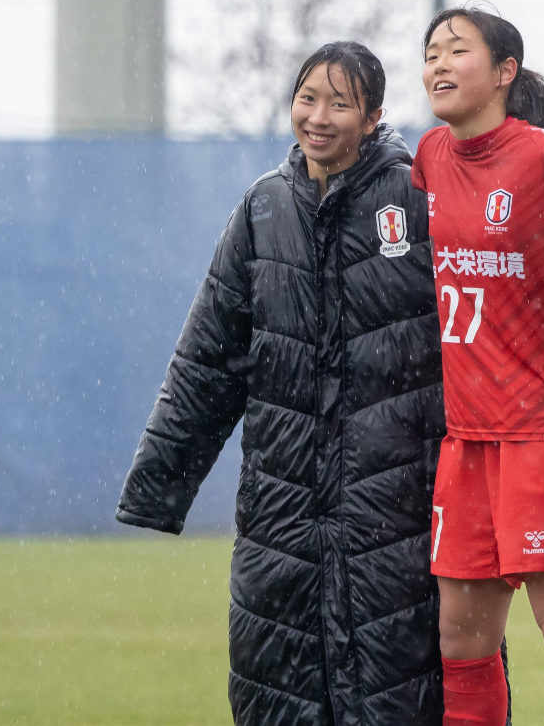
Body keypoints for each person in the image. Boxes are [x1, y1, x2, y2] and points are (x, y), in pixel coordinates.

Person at [117, 42, 447, 725]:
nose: (318, 117)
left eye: (340, 103)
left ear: (374, 117)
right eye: (307, 98)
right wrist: (159, 485)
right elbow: (208, 358)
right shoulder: (262, 208)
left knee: (402, 691)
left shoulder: (418, 198)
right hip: (281, 512)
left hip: (397, 512)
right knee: (278, 694)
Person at [411, 7, 544, 726]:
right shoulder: (429, 155)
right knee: (461, 640)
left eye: (457, 50)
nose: (438, 63)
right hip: (467, 439)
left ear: (504, 72)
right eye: (431, 51)